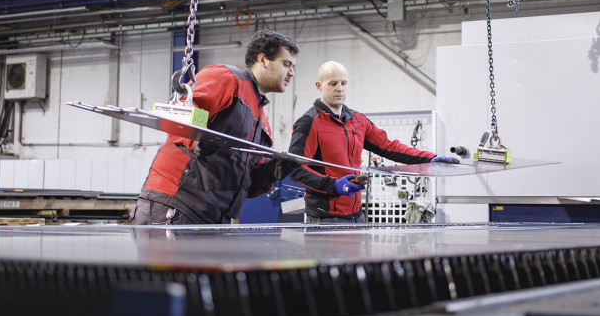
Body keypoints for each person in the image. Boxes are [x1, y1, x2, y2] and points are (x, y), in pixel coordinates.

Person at [132, 29, 297, 225]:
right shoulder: (227, 79)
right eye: (286, 64)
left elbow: (247, 186)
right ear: (263, 60)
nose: (292, 73)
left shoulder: (261, 121)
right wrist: (198, 140)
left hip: (213, 217)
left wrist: (271, 172)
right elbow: (180, 113)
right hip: (175, 203)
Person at [286, 61, 458, 223]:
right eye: (333, 83)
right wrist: (334, 185)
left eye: (344, 83)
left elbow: (390, 147)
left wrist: (430, 158)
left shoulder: (357, 121)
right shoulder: (309, 123)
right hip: (324, 218)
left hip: (356, 216)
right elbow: (295, 169)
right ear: (319, 86)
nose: (339, 89)